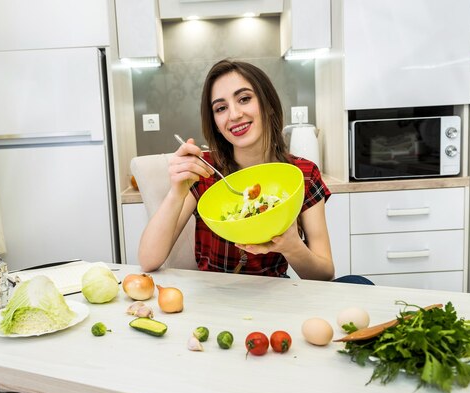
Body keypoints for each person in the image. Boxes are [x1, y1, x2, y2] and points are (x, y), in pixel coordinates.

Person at [138, 59, 370, 284]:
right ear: (216, 124)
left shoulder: (304, 174)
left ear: (268, 105)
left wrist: (292, 247)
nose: (234, 114)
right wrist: (176, 192)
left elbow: (324, 274)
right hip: (215, 296)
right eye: (221, 108)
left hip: (274, 292)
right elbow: (148, 261)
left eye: (244, 99)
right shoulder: (205, 170)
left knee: (359, 283)